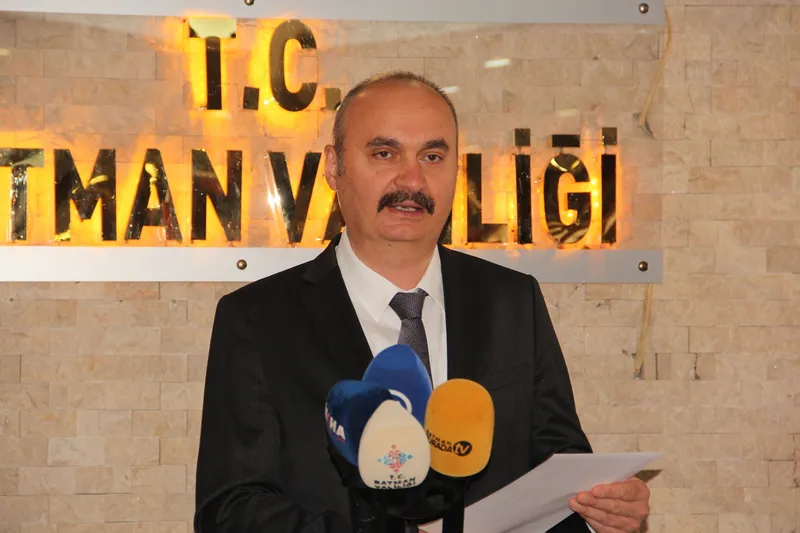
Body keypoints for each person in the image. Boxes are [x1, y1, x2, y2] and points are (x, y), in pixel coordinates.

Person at [194, 71, 651, 533]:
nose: (412, 179)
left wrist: (601, 513)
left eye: (432, 156)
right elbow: (230, 511)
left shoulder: (513, 301)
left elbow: (558, 474)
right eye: (384, 153)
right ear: (334, 167)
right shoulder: (258, 320)